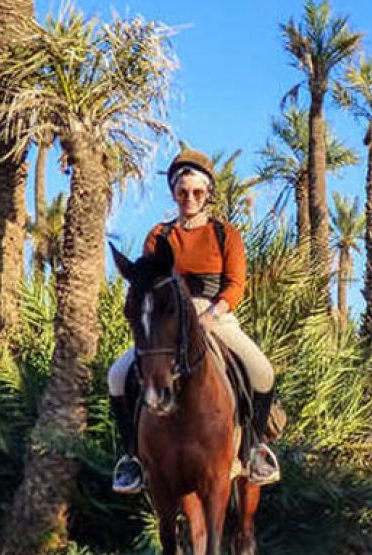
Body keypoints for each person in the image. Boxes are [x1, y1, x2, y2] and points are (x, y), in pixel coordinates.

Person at [107, 146, 280, 493]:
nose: (189, 198)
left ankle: (254, 450)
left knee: (262, 370)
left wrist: (212, 315)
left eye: (197, 192)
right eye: (182, 192)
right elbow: (146, 282)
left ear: (207, 194)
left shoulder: (225, 234)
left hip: (215, 316)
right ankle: (132, 459)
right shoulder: (159, 234)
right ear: (173, 192)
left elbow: (236, 285)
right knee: (116, 376)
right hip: (166, 321)